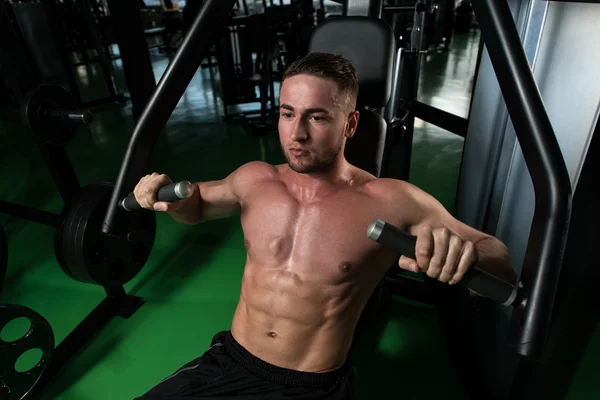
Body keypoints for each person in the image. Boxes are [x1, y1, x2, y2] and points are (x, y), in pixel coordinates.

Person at [133, 52, 517, 399]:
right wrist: (167, 198)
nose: (297, 133)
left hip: (309, 386)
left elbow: (496, 256)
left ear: (350, 124)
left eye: (316, 117)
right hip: (229, 360)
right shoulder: (255, 179)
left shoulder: (391, 200)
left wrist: (463, 256)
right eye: (287, 114)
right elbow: (195, 207)